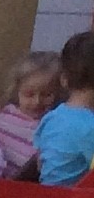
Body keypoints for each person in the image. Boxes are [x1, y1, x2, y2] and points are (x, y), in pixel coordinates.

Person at [0, 51, 61, 179]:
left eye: (47, 95)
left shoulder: (54, 126)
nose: (37, 101)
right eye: (29, 94)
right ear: (17, 90)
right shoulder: (0, 117)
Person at [35, 31, 94, 187]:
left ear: (64, 80)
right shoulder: (90, 126)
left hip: (45, 193)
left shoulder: (51, 117)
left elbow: (40, 164)